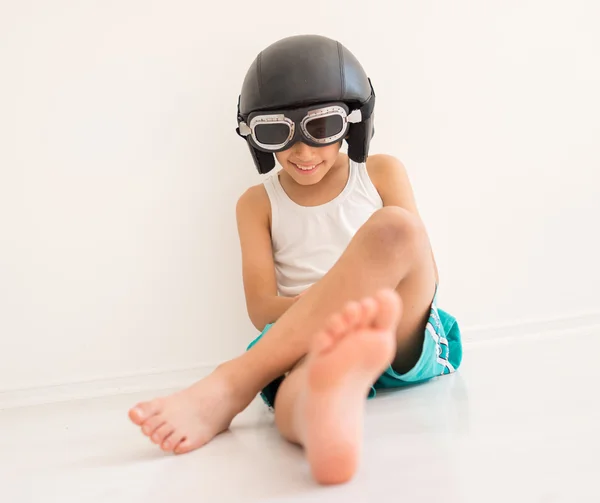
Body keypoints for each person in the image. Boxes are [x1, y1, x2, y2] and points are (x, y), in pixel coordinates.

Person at [128, 34, 462, 485]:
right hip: (308, 344)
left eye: (322, 128)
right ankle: (325, 412)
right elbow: (262, 308)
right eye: (276, 132)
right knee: (301, 386)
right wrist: (334, 319)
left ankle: (234, 382)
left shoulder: (380, 172)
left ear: (355, 122)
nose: (303, 152)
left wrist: (353, 306)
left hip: (397, 323)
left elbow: (424, 269)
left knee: (397, 228)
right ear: (255, 137)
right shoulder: (256, 203)